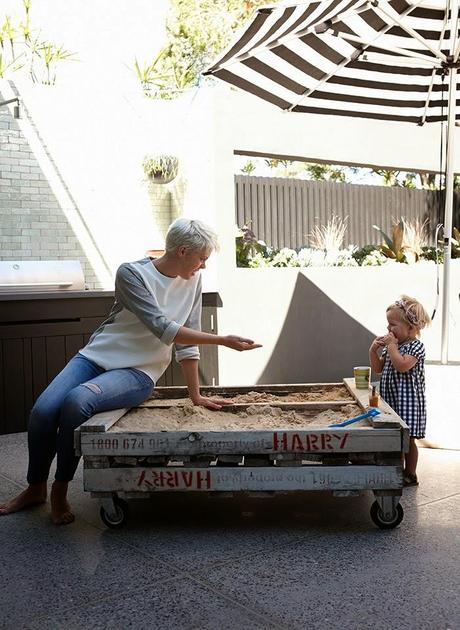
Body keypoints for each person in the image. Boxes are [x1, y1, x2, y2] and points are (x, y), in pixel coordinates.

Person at [0, 218, 261, 524]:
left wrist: (196, 396)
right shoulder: (132, 273)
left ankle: (59, 488)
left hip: (139, 371)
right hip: (95, 357)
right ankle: (35, 487)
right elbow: (163, 327)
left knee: (76, 403)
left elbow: (187, 338)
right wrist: (223, 340)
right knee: (43, 411)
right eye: (201, 258)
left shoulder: (193, 282)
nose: (203, 265)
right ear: (182, 251)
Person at [369, 295, 431, 487]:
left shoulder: (416, 347)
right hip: (392, 401)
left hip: (408, 403)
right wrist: (373, 351)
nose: (388, 329)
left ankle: (410, 474)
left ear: (411, 328)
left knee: (408, 441)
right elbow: (379, 368)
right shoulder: (393, 346)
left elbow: (402, 366)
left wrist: (392, 347)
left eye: (393, 325)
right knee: (394, 439)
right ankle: (396, 471)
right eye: (388, 324)